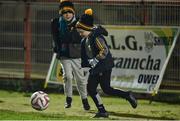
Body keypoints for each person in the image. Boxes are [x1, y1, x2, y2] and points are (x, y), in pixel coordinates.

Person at [76, 8, 137, 118]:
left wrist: (96, 59)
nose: (80, 34)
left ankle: (102, 111)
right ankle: (127, 95)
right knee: (107, 89)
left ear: (88, 29)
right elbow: (86, 56)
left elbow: (104, 50)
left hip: (103, 66)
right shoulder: (85, 40)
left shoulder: (96, 37)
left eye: (81, 32)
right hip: (99, 67)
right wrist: (85, 66)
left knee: (91, 88)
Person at [51, 0, 90, 110]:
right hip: (64, 54)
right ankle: (68, 100)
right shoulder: (56, 22)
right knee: (67, 77)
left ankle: (84, 100)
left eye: (69, 12)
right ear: (61, 13)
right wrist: (57, 48)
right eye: (64, 12)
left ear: (73, 13)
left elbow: (82, 37)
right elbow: (55, 38)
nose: (67, 14)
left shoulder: (79, 22)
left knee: (80, 79)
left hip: (77, 54)